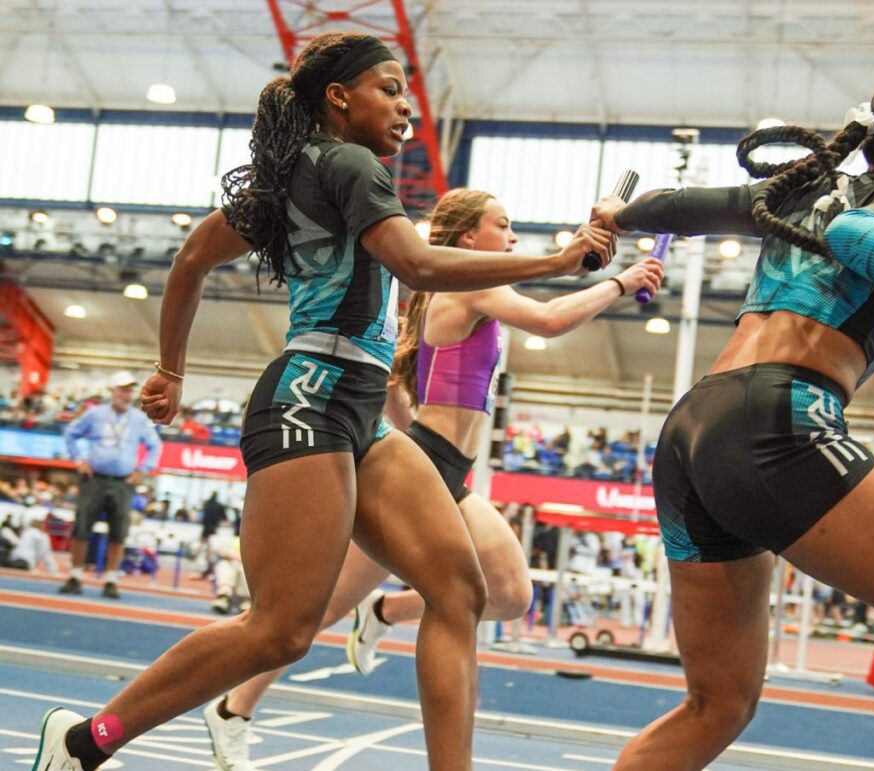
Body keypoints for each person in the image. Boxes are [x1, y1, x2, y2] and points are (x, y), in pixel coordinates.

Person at [31, 32, 612, 771]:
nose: (405, 107)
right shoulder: (349, 163)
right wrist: (559, 260)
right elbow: (416, 263)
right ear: (339, 97)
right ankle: (85, 742)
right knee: (280, 628)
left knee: (458, 591)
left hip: (359, 410)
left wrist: (171, 370)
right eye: (390, 89)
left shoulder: (292, 178)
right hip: (309, 400)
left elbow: (190, 259)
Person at [589, 77, 874, 770]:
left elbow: (680, 205)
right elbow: (856, 234)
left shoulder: (797, 191)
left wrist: (619, 211)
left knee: (719, 703)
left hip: (694, 431)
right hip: (779, 419)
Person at [200, 187, 662, 769]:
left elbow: (394, 387)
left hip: (448, 470)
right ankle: (233, 708)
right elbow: (548, 319)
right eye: (504, 225)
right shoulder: (470, 288)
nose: (514, 236)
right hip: (428, 466)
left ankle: (388, 611)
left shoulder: (453, 293)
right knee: (308, 614)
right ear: (470, 238)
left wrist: (405, 432)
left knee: (511, 595)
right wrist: (620, 283)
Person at [59, 371, 162, 600]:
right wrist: (78, 459)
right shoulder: (94, 415)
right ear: (112, 391)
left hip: (123, 483)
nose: (126, 395)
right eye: (122, 390)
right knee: (82, 526)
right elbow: (70, 434)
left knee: (119, 531)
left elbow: (155, 446)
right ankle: (75, 576)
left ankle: (111, 580)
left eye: (129, 391)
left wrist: (142, 471)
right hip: (94, 478)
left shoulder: (138, 419)